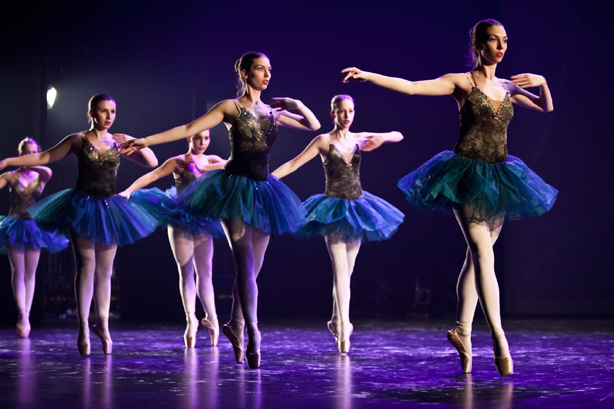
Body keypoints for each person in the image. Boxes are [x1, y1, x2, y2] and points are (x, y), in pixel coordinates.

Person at [342, 19, 557, 376]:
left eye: (505, 40)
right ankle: (500, 339)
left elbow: (546, 107)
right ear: (478, 45)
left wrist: (544, 82)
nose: (501, 46)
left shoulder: (507, 86)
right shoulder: (462, 82)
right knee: (482, 254)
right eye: (493, 40)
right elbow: (412, 87)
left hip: (501, 175)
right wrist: (369, 75)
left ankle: (461, 330)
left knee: (477, 259)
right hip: (465, 175)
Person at [121, 52, 321, 368]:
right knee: (244, 263)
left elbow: (314, 124)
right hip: (233, 189)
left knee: (253, 271)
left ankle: (235, 324)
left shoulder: (272, 111)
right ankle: (253, 331)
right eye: (259, 69)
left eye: (269, 69)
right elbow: (188, 128)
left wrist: (296, 103)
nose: (267, 74)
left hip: (265, 191)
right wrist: (145, 139)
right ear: (244, 72)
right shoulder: (231, 107)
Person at [0, 94, 159, 356]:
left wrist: (135, 141)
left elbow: (151, 162)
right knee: (86, 266)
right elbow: (45, 157)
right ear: (92, 112)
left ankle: (103, 325)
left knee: (106, 272)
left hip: (109, 209)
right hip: (81, 207)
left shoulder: (118, 143)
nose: (109, 116)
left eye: (113, 111)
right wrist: (9, 162)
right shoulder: (78, 139)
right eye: (104, 111)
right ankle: (84, 326)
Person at [272, 94, 404, 354]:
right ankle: (344, 328)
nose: (347, 116)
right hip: (332, 210)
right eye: (342, 111)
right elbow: (294, 163)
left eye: (351, 111)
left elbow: (398, 134)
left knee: (347, 273)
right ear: (332, 114)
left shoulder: (358, 139)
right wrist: (270, 179)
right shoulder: (323, 141)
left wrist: (382, 138)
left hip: (357, 208)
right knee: (341, 273)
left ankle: (335, 319)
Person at [119, 130, 226, 348]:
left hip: (205, 219)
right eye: (197, 138)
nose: (202, 142)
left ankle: (212, 319)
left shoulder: (212, 160)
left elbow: (233, 164)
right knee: (185, 270)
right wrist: (129, 190)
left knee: (205, 273)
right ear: (189, 139)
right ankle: (191, 320)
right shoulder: (177, 162)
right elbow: (152, 175)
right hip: (179, 218)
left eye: (206, 138)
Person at [0, 138, 69, 338]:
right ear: (20, 154)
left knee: (30, 273)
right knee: (18, 271)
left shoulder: (43, 174)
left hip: (34, 227)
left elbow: (46, 169)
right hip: (14, 225)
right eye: (25, 152)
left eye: (33, 152)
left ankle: (26, 315)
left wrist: (21, 160)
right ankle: (21, 313)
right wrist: (10, 164)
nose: (28, 156)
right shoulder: (11, 176)